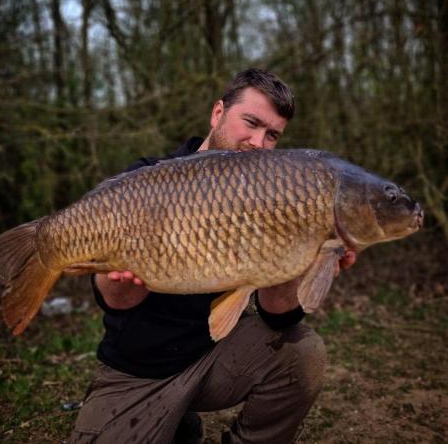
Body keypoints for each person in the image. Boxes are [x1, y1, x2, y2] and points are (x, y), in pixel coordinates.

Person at [69, 68, 356, 444]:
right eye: (250, 123)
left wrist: (302, 261)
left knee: (302, 353)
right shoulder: (146, 181)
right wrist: (125, 281)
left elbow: (276, 315)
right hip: (138, 372)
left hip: (213, 359)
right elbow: (114, 300)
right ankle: (175, 422)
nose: (258, 142)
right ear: (217, 113)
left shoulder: (270, 197)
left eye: (272, 135)